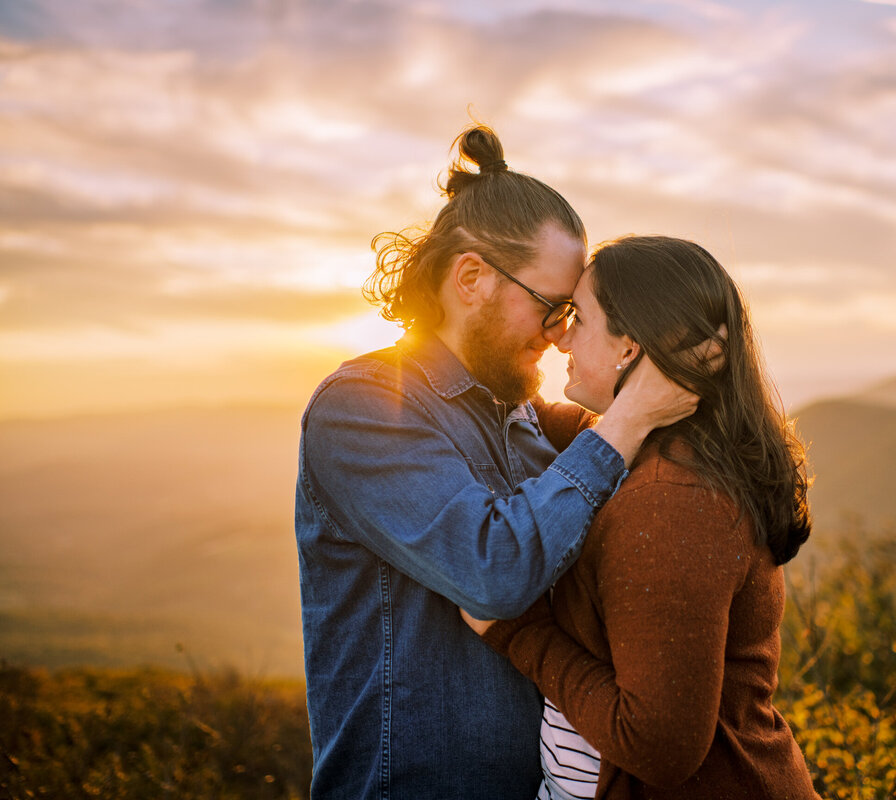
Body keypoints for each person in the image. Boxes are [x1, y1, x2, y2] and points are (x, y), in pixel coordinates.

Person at [294, 128, 698, 799]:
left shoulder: (522, 414)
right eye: (549, 307)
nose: (560, 332)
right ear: (472, 278)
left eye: (572, 314)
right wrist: (627, 421)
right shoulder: (363, 408)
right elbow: (494, 571)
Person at [463, 236, 823, 799]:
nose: (560, 337)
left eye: (578, 318)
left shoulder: (671, 501)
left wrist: (516, 631)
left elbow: (659, 747)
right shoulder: (648, 447)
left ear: (628, 347)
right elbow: (561, 425)